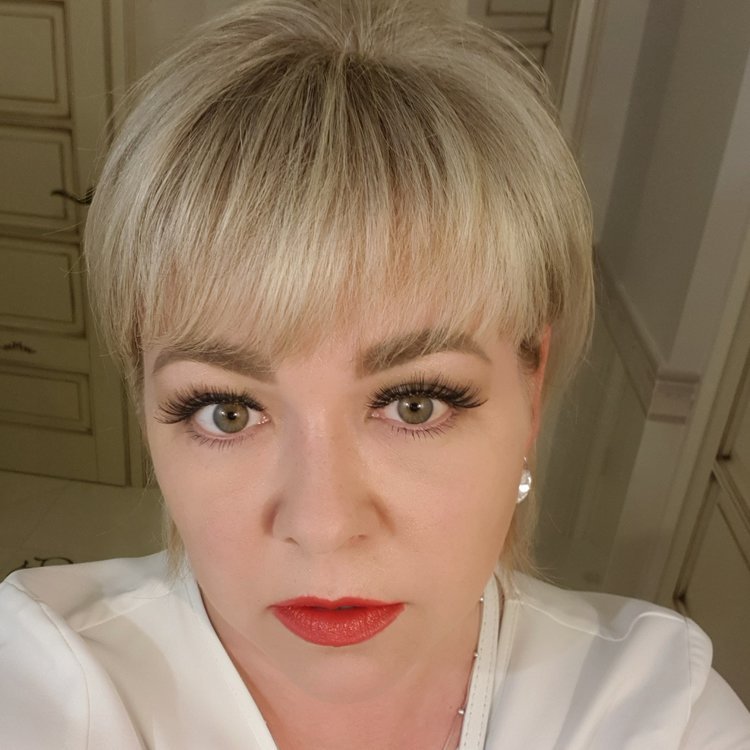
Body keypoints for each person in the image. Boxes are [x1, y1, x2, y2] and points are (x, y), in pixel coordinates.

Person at [1, 1, 748, 747]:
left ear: (532, 389)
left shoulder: (657, 712)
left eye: (415, 404)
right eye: (226, 410)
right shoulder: (48, 678)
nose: (323, 528)